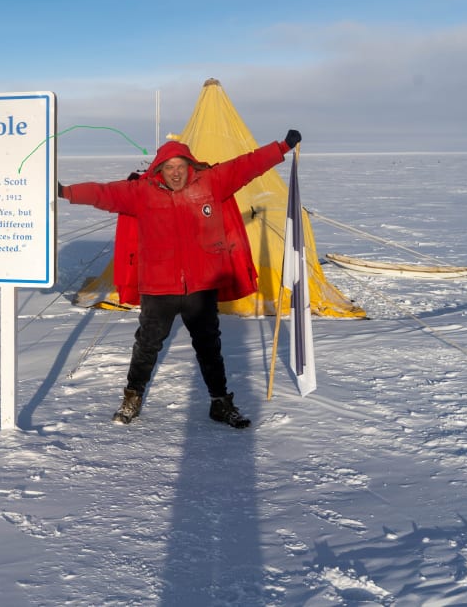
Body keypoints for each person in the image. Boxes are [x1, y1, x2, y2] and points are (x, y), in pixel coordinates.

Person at [58, 129, 302, 427]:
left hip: (200, 287)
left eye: (180, 167)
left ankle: (220, 402)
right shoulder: (141, 192)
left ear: (191, 166)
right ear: (160, 169)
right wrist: (65, 192)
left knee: (209, 345)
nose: (175, 173)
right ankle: (132, 398)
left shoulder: (212, 182)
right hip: (158, 287)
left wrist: (282, 147)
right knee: (147, 344)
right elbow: (103, 193)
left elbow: (246, 165)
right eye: (169, 168)